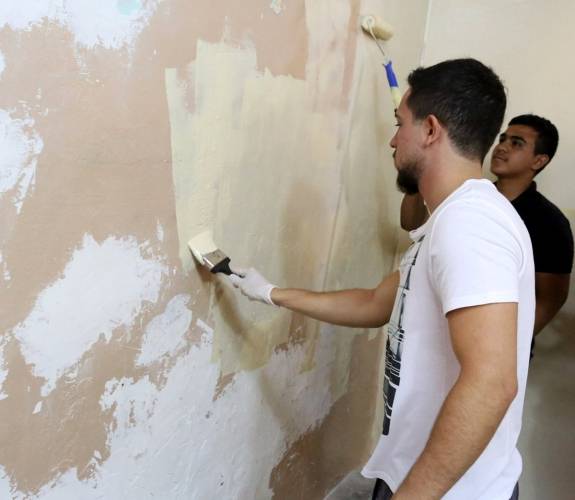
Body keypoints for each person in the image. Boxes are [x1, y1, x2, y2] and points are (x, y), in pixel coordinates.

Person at [228, 59, 530, 499]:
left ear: (430, 130)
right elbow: (376, 302)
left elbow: (491, 383)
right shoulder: (448, 221)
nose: (392, 139)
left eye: (399, 124)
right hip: (417, 474)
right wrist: (271, 293)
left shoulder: (470, 224)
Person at [401, 114, 573, 355]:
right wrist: (419, 171)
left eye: (516, 143)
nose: (502, 147)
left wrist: (506, 343)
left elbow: (550, 298)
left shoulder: (550, 222)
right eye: (503, 139)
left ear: (539, 160)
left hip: (495, 347)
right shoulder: (467, 196)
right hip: (437, 335)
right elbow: (410, 223)